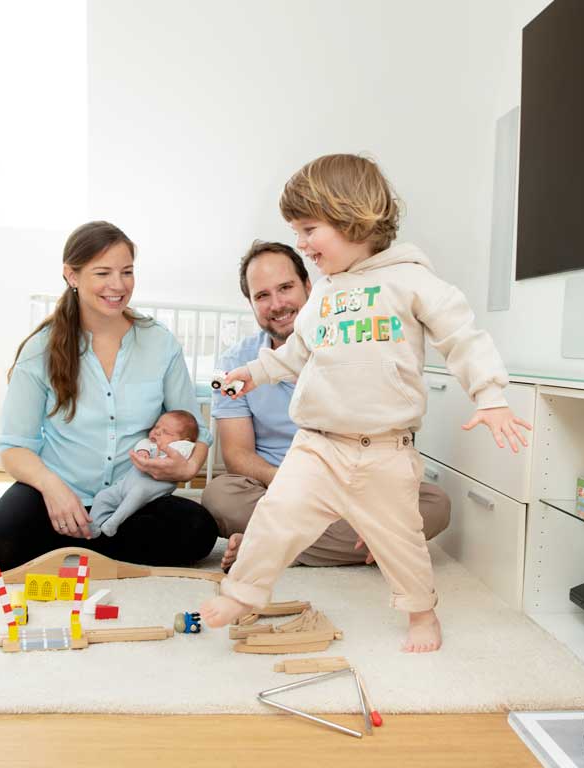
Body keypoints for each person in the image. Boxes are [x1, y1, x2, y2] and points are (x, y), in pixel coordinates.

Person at [199, 154, 531, 652]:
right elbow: (294, 353)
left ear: (353, 215)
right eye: (297, 231)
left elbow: (463, 337)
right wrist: (252, 374)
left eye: (309, 230)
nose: (302, 244)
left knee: (402, 540)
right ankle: (243, 592)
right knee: (275, 517)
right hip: (316, 446)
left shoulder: (412, 281)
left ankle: (421, 613)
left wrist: (490, 395)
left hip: (383, 450)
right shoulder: (325, 295)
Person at [0, 221, 219, 572]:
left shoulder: (159, 342)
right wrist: (53, 489)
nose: (118, 285)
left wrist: (189, 464)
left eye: (127, 272)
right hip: (57, 488)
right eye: (103, 273)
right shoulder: (40, 350)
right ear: (72, 275)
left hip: (129, 497)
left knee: (199, 532)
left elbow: (194, 426)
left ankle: (72, 539)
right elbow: (15, 447)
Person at [201, 240, 451, 571]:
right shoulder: (237, 364)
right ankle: (377, 540)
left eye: (286, 288)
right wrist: (290, 485)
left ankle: (268, 545)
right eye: (262, 296)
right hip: (276, 488)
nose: (277, 304)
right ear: (251, 303)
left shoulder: (357, 345)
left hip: (354, 485)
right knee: (219, 496)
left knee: (435, 504)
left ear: (308, 286)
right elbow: (237, 456)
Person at [89, 409, 199, 538]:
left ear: (183, 440)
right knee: (103, 496)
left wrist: (165, 455)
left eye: (165, 432)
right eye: (156, 427)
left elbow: (182, 452)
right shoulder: (149, 443)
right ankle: (92, 526)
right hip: (125, 485)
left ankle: (113, 522)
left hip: (150, 487)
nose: (157, 431)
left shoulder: (181, 447)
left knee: (137, 494)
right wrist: (142, 451)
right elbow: (142, 444)